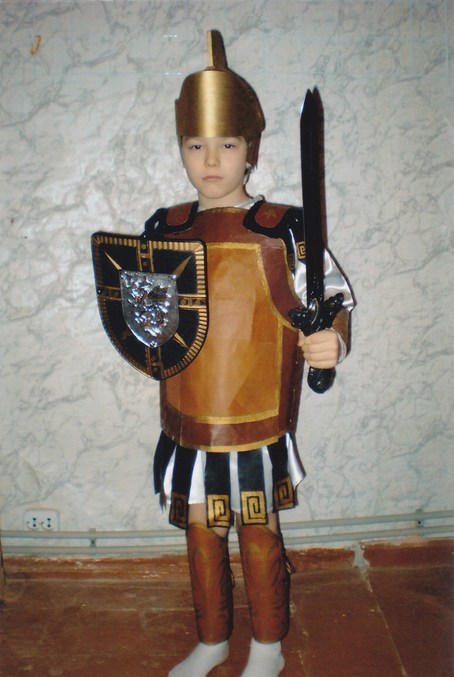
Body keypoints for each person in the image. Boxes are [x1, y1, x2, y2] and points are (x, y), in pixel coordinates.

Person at [142, 31, 354, 677]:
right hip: (190, 417)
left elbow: (332, 297)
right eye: (196, 144)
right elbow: (146, 318)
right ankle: (212, 639)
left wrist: (332, 337)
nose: (211, 159)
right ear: (181, 148)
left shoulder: (283, 228)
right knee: (201, 531)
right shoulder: (165, 228)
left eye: (227, 144)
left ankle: (268, 644)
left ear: (250, 149)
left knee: (258, 532)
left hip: (257, 419)